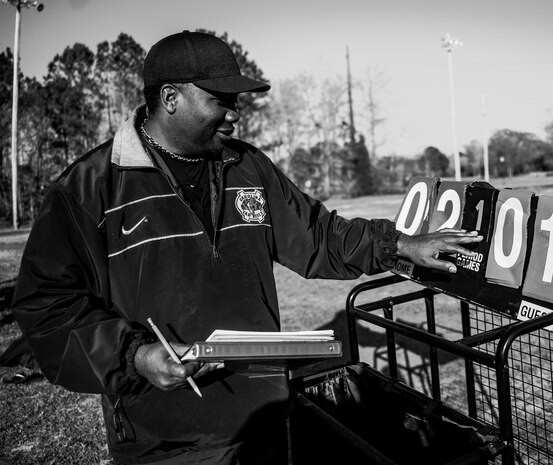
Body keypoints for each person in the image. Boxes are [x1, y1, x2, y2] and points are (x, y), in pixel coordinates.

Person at [11, 30, 482, 464]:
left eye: (237, 100)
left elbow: (319, 236)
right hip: (162, 438)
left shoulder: (248, 167)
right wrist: (135, 355)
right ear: (170, 98)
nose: (235, 113)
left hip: (266, 418)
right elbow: (47, 304)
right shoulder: (89, 187)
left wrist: (398, 244)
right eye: (221, 100)